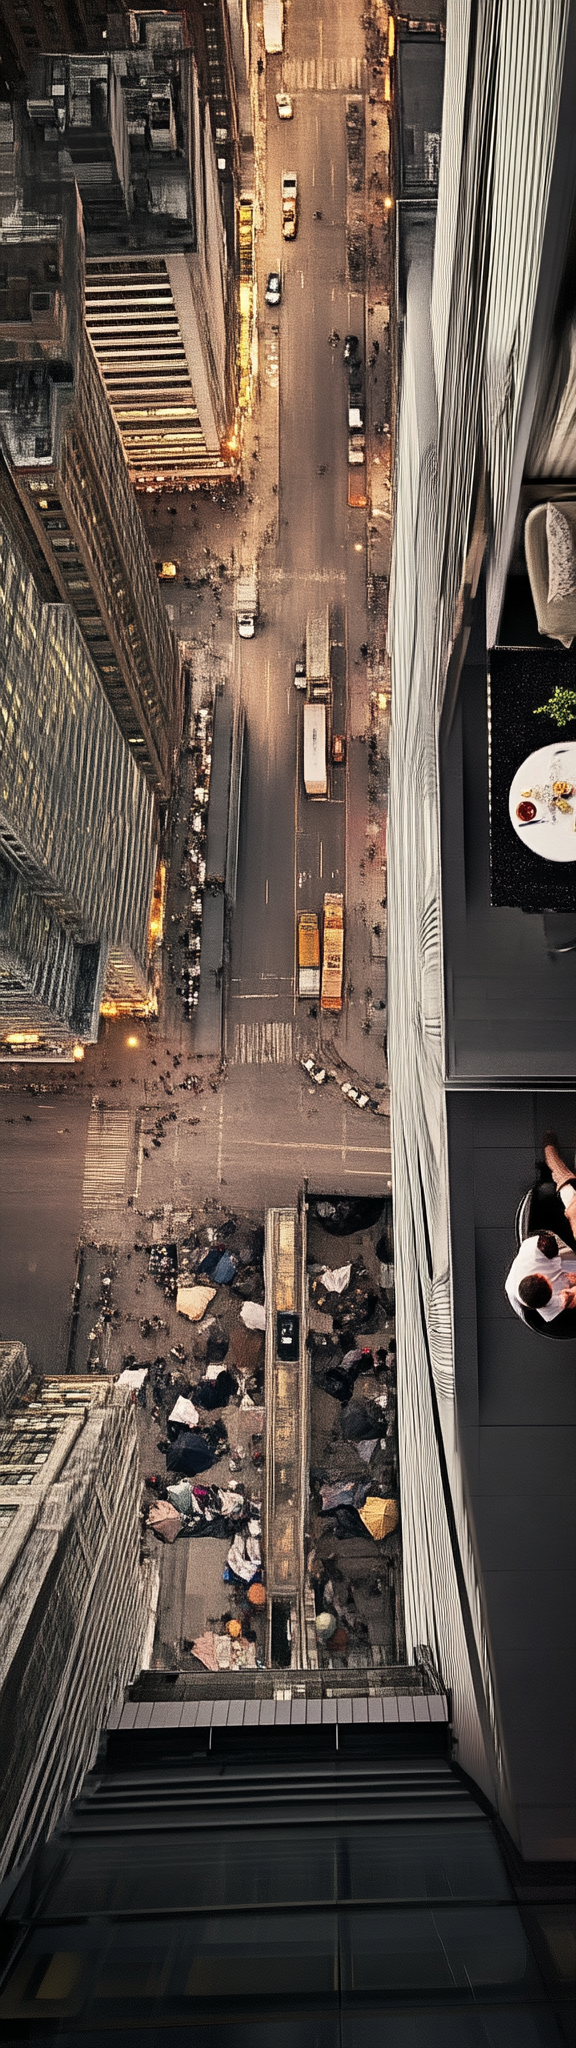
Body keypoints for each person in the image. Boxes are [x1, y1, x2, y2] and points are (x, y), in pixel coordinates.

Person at [505, 1229, 576, 1331]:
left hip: (545, 1249)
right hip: (541, 1320)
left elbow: (555, 1236)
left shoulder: (535, 1252)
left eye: (549, 1281)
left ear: (539, 1275)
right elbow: (568, 1297)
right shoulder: (546, 1307)